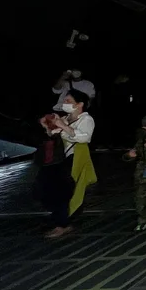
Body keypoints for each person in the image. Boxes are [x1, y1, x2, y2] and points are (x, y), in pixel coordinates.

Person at [47, 90, 98, 232]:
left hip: (76, 157)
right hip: (62, 158)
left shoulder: (86, 120)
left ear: (80, 104)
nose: (65, 103)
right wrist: (49, 125)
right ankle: (65, 219)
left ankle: (63, 223)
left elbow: (84, 138)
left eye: (68, 101)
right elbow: (53, 134)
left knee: (67, 190)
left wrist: (62, 127)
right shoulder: (65, 118)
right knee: (62, 189)